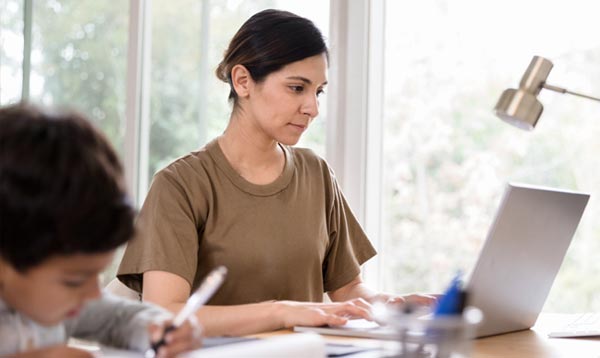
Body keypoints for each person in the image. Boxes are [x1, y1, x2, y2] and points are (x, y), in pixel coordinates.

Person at [117, 9, 436, 337]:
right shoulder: (180, 185)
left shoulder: (317, 174)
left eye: (318, 91)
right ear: (243, 81)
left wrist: (392, 304)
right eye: (297, 88)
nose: (312, 107)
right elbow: (164, 315)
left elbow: (349, 291)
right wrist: (283, 311)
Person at [0, 104, 203, 357]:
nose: (94, 293)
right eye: (74, 280)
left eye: (95, 274)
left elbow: (116, 317)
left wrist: (158, 327)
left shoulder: (62, 294)